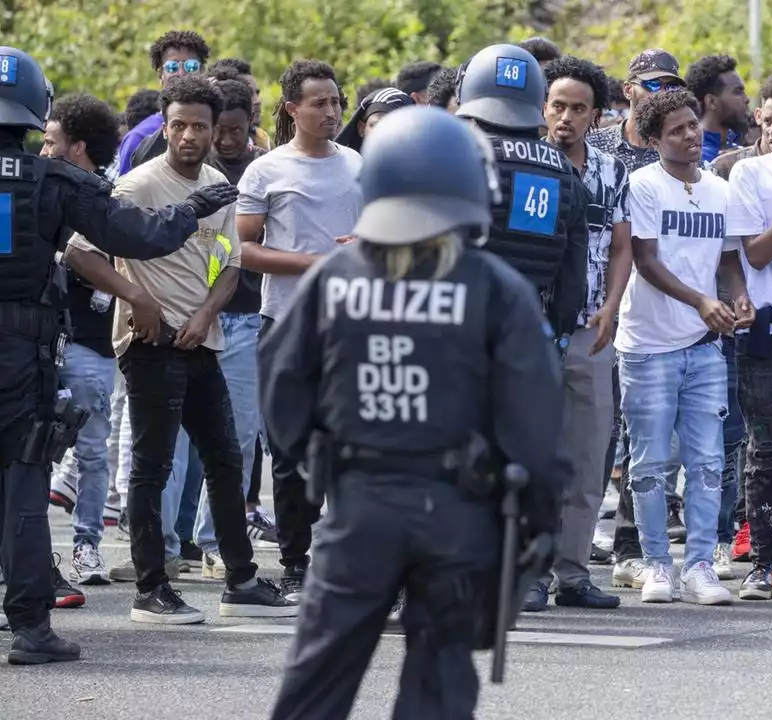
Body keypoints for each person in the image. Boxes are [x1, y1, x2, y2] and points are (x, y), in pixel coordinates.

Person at [263, 105, 565, 719]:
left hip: (357, 507)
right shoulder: (494, 287)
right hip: (458, 513)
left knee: (317, 679)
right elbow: (534, 427)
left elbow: (281, 386)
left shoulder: (333, 279)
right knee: (439, 681)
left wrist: (304, 468)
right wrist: (540, 525)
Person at [0, 47, 238, 663]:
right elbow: (135, 235)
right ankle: (30, 626)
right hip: (18, 354)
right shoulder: (51, 180)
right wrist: (190, 210)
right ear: (36, 105)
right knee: (24, 483)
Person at [454, 43, 589, 343]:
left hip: (460, 328)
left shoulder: (461, 160)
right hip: (526, 330)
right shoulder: (564, 171)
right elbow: (573, 276)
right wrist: (556, 331)